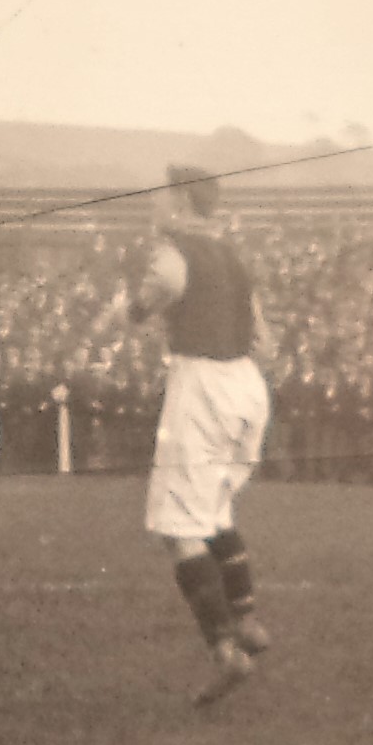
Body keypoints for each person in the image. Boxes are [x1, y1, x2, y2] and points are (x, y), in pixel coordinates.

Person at [135, 167, 276, 705]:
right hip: (245, 382)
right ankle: (247, 618)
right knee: (215, 511)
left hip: (204, 383)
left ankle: (224, 652)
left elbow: (168, 284)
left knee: (178, 528)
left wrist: (139, 309)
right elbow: (265, 337)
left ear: (178, 200)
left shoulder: (175, 245)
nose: (153, 204)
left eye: (159, 195)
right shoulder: (232, 255)